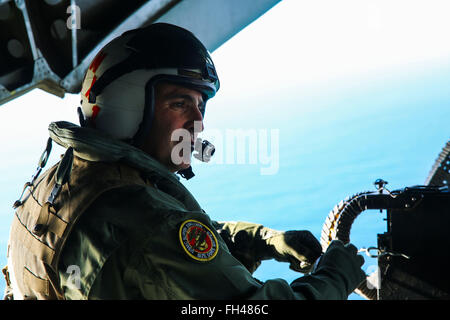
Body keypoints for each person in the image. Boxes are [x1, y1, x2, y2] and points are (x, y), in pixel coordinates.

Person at [3, 23, 365, 300]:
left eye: (200, 106)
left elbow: (163, 254)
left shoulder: (63, 178)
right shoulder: (144, 218)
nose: (199, 123)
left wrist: (261, 240)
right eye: (179, 103)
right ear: (126, 107)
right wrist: (335, 276)